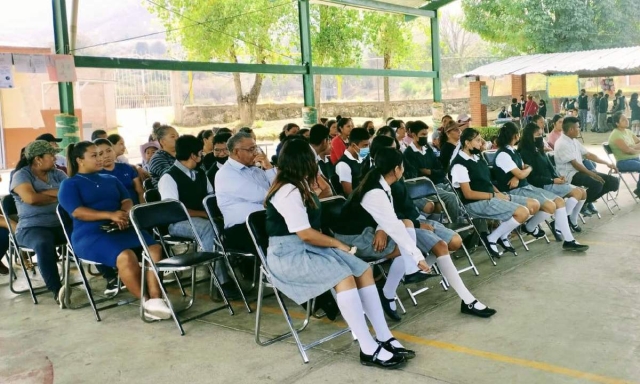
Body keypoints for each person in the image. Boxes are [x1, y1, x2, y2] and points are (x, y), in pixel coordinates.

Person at [264, 139, 409, 369]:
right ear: (303, 161)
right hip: (289, 254)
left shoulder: (299, 184)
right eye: (312, 158)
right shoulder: (288, 190)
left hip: (310, 248)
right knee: (344, 278)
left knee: (363, 270)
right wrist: (338, 244)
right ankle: (367, 347)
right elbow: (306, 234)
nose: (316, 161)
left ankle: (383, 335)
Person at [362, 136, 496, 318]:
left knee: (453, 242)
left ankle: (401, 281)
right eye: (393, 151)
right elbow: (386, 215)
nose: (398, 154)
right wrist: (383, 229)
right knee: (439, 246)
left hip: (412, 221)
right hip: (404, 225)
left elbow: (403, 205)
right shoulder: (376, 183)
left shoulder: (393, 179)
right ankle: (468, 300)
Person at [59, 141, 172, 320]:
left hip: (121, 227)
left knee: (155, 248)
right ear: (80, 160)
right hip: (90, 234)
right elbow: (77, 212)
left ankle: (155, 299)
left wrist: (125, 212)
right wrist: (110, 215)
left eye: (101, 154)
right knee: (126, 256)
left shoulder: (110, 179)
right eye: (94, 155)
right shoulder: (70, 184)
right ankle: (145, 300)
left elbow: (126, 200)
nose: (100, 158)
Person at [158, 135, 237, 296]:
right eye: (200, 153)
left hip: (202, 219)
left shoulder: (200, 173)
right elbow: (174, 209)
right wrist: (205, 214)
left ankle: (238, 265)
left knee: (230, 223)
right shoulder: (168, 177)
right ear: (193, 155)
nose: (202, 156)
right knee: (209, 228)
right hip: (178, 223)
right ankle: (221, 281)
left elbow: (211, 198)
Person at [495, 123, 588, 251]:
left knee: (559, 202)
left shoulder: (514, 151)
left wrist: (523, 172)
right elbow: (523, 172)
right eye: (538, 135)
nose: (540, 137)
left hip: (526, 186)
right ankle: (564, 237)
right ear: (516, 136)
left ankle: (568, 240)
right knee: (552, 204)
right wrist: (523, 173)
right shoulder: (505, 154)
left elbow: (524, 169)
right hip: (518, 190)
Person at [449, 128, 536, 258]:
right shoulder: (459, 164)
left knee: (532, 204)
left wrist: (500, 194)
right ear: (467, 143)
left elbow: (487, 182)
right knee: (522, 212)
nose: (481, 144)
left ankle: (501, 235)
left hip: (491, 197)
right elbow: (468, 194)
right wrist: (495, 196)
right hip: (475, 204)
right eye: (478, 141)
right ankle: (492, 238)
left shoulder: (477, 158)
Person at [10, 140, 68, 306]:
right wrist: (57, 194)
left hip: (60, 223)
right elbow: (31, 199)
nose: (55, 158)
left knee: (86, 231)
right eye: (51, 155)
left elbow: (70, 193)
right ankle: (57, 290)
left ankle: (111, 278)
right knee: (43, 243)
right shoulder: (21, 175)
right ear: (38, 159)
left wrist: (43, 193)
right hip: (31, 227)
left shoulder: (57, 173)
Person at [518, 123, 589, 234]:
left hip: (552, 181)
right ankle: (560, 222)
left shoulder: (539, 150)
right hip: (543, 184)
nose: (540, 137)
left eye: (541, 134)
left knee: (583, 192)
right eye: (537, 135)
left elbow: (550, 168)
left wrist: (557, 177)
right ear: (529, 136)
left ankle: (571, 220)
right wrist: (552, 180)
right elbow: (533, 178)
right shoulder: (525, 153)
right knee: (577, 193)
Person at [215, 131, 276, 254]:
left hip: (264, 221)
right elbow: (266, 196)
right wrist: (280, 195)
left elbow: (279, 188)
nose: (256, 152)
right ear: (237, 151)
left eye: (256, 148)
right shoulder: (227, 174)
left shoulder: (256, 170)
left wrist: (268, 167)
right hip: (242, 228)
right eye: (251, 149)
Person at [554, 117, 620, 212]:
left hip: (580, 171)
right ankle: (581, 205)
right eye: (578, 127)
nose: (579, 129)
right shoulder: (562, 143)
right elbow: (575, 164)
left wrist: (607, 163)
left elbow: (588, 155)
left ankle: (586, 202)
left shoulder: (573, 140)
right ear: (571, 129)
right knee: (597, 184)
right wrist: (592, 174)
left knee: (613, 182)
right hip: (570, 175)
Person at [402, 120, 460, 222]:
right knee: (450, 197)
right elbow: (415, 177)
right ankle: (456, 223)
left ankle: (462, 219)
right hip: (425, 189)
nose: (425, 137)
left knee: (458, 190)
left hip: (437, 183)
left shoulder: (427, 149)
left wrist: (430, 172)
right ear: (414, 135)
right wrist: (432, 173)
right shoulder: (408, 154)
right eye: (423, 134)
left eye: (426, 134)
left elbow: (440, 170)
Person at [95, 139, 144, 205]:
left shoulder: (127, 168)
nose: (106, 156)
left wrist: (142, 209)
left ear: (113, 151)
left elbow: (140, 192)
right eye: (101, 154)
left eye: (109, 151)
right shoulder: (96, 175)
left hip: (136, 209)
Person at [607, 112, 640, 198]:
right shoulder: (615, 135)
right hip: (623, 162)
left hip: (635, 159)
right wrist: (635, 148)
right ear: (617, 123)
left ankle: (639, 190)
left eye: (626, 119)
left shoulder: (628, 131)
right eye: (623, 120)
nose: (627, 121)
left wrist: (633, 147)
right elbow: (627, 150)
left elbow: (638, 143)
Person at [335, 128, 370, 196]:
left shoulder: (362, 158)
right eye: (365, 145)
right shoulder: (343, 164)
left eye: (368, 145)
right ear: (354, 145)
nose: (367, 148)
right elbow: (349, 193)